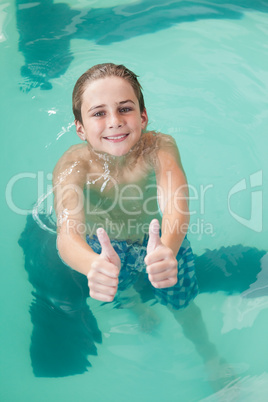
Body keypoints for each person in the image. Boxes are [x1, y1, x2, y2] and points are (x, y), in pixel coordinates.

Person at [53, 63, 235, 389]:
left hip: (159, 241)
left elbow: (176, 208)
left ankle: (208, 354)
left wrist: (167, 248)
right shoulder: (74, 164)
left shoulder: (158, 147)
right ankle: (137, 308)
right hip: (107, 245)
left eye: (125, 108)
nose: (115, 121)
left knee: (183, 304)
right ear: (80, 129)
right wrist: (93, 264)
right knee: (117, 285)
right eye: (98, 113)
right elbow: (68, 234)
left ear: (143, 117)